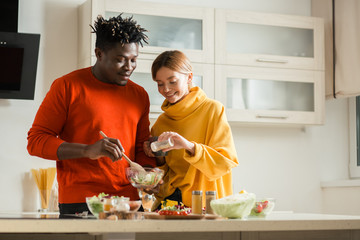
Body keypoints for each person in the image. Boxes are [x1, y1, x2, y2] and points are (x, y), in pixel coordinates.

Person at [27, 14, 155, 215]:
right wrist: (87, 150)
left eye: (133, 60)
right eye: (120, 60)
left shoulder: (139, 95)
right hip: (81, 203)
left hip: (130, 203)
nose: (129, 67)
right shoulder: (67, 86)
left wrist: (148, 174)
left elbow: (142, 148)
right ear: (99, 53)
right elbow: (36, 141)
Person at [143, 50, 239, 210]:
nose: (166, 89)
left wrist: (188, 146)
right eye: (160, 84)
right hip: (169, 203)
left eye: (172, 81)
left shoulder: (213, 110)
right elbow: (162, 175)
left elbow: (225, 162)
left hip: (204, 202)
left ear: (189, 77)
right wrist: (157, 156)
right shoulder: (161, 122)